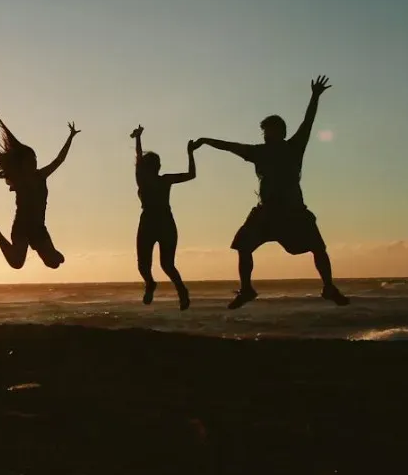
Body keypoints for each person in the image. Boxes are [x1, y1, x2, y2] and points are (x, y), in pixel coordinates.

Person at [194, 75, 349, 309]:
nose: (266, 135)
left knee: (318, 247)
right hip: (266, 212)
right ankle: (246, 289)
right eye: (265, 132)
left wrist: (314, 96)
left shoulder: (294, 147)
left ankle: (328, 287)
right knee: (243, 246)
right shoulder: (258, 152)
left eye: (270, 131)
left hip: (293, 211)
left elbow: (308, 122)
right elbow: (230, 146)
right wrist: (206, 140)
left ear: (281, 132)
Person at [0, 119, 79, 270]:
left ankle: (50, 253)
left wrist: (71, 137)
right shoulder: (18, 178)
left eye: (35, 159)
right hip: (21, 226)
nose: (34, 162)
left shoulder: (41, 175)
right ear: (23, 163)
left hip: (38, 228)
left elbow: (59, 160)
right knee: (17, 264)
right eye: (30, 160)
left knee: (54, 263)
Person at [131, 126, 195, 309]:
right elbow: (138, 159)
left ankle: (182, 291)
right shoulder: (142, 179)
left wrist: (190, 154)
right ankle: (150, 284)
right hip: (150, 221)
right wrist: (138, 139)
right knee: (144, 265)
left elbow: (191, 175)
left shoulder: (165, 179)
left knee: (167, 265)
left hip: (164, 221)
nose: (156, 167)